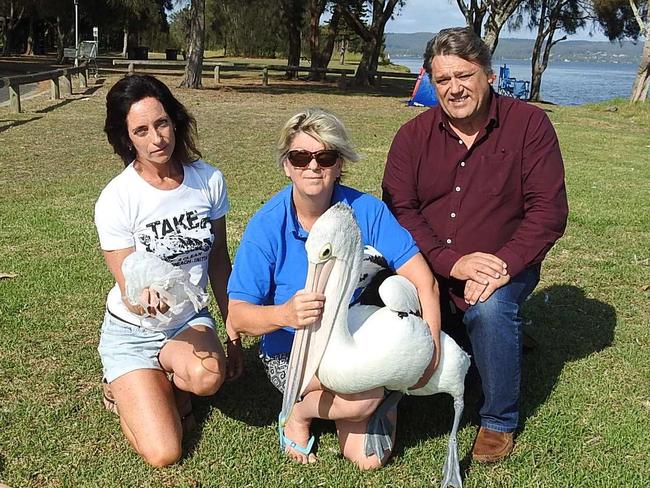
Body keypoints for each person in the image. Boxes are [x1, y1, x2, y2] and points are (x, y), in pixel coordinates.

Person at [382, 27, 568, 463]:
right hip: (429, 260)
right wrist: (450, 262)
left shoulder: (529, 126)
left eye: (464, 75)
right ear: (430, 81)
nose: (454, 88)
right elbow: (400, 211)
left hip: (504, 263)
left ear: (487, 73)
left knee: (489, 309)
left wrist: (501, 265)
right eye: (442, 80)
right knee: (385, 301)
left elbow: (548, 211)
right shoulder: (412, 138)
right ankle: (383, 397)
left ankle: (498, 419)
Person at [227, 108, 441, 469]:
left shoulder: (367, 212)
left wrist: (430, 352)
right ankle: (301, 412)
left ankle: (360, 398)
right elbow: (237, 315)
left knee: (368, 460)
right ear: (287, 165)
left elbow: (425, 282)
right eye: (300, 157)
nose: (313, 166)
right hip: (294, 353)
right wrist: (286, 314)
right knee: (362, 398)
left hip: (356, 343)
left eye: (325, 157)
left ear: (339, 164)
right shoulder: (267, 225)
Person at [95, 74, 243, 467]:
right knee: (165, 453)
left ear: (174, 120)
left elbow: (218, 259)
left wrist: (233, 327)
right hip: (133, 331)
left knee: (208, 377)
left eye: (161, 123)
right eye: (141, 130)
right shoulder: (117, 198)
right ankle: (120, 388)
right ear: (126, 138)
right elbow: (130, 285)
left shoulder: (208, 181)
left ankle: (171, 381)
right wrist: (145, 299)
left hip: (187, 321)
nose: (156, 138)